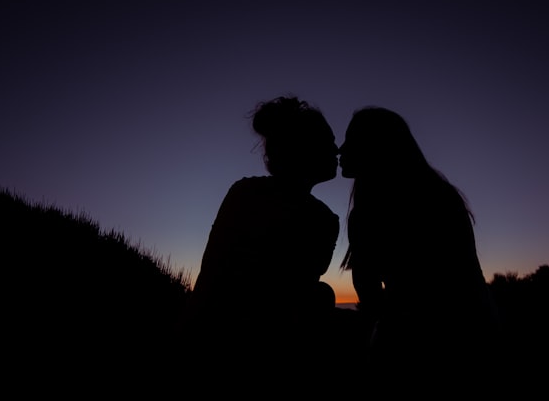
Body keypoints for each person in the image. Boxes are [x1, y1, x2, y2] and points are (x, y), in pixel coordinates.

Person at [338, 106, 500, 378]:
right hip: (477, 328)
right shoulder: (440, 194)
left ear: (376, 146)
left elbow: (372, 298)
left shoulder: (372, 212)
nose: (341, 149)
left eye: (351, 140)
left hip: (428, 343)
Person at [184, 96, 341, 376]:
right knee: (322, 296)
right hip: (258, 348)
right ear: (304, 148)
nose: (337, 149)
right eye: (328, 142)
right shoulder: (322, 219)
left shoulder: (244, 192)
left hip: (220, 333)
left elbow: (211, 273)